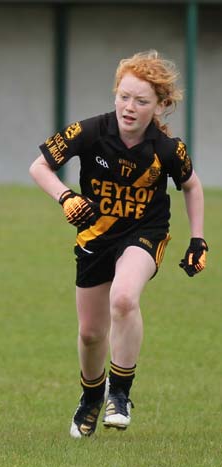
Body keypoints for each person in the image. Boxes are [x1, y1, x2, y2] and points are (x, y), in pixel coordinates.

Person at [29, 50, 207, 438]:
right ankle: (91, 397)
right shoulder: (91, 131)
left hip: (145, 232)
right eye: (124, 96)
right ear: (115, 95)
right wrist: (66, 197)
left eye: (141, 101)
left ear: (160, 105)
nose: (130, 107)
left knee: (124, 298)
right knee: (91, 333)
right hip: (95, 236)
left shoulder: (166, 149)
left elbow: (191, 186)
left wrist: (198, 238)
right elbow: (39, 166)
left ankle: (120, 393)